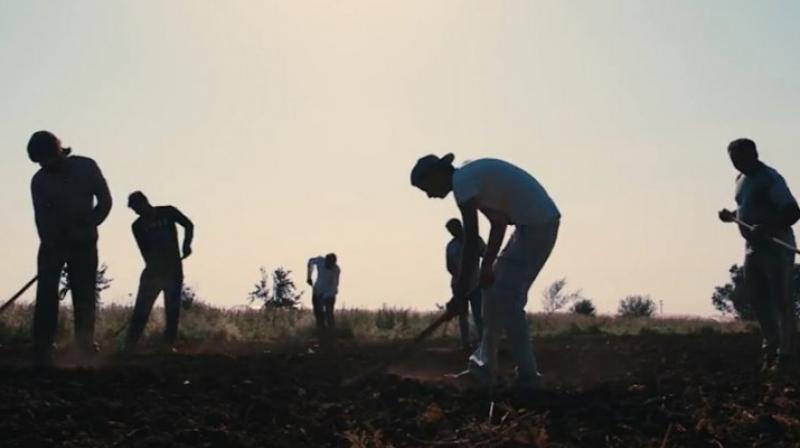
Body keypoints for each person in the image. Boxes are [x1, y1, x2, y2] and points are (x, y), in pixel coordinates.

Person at [411, 154, 560, 389]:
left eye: (426, 188)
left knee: (509, 300)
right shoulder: (469, 178)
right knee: (491, 291)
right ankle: (483, 369)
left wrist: (460, 293)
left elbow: (471, 241)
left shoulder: (463, 183)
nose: (429, 195)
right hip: (528, 226)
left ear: (436, 175)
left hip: (538, 225)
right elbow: (498, 223)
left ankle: (528, 378)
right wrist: (487, 266)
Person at [28, 130, 112, 367]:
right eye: (39, 162)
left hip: (84, 243)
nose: (44, 165)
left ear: (57, 151)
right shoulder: (39, 181)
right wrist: (52, 240)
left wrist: (89, 223)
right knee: (46, 294)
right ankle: (42, 349)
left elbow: (105, 202)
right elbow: (41, 217)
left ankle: (84, 346)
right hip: (52, 244)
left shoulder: (87, 167)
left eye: (46, 159)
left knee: (84, 293)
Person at [718, 138, 800, 373]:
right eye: (733, 159)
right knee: (757, 299)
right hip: (753, 248)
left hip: (777, 246)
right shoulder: (740, 180)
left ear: (753, 154)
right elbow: (748, 209)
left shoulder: (770, 178)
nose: (737, 163)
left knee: (781, 300)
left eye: (741, 157)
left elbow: (793, 212)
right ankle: (770, 348)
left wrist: (768, 227)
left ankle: (785, 355)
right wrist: (732, 215)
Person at [124, 191, 194, 351]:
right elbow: (145, 252)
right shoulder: (137, 226)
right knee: (141, 310)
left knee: (172, 309)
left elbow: (188, 225)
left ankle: (168, 346)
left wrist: (186, 245)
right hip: (153, 273)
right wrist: (156, 268)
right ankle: (129, 346)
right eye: (134, 210)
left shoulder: (168, 212)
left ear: (144, 202)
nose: (136, 212)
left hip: (174, 270)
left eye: (137, 208)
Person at [445, 218, 485, 350]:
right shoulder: (451, 246)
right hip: (459, 285)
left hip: (476, 283)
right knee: (463, 314)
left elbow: (485, 253)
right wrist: (459, 277)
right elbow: (449, 266)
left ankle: (484, 341)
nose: (453, 232)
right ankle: (465, 343)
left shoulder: (475, 240)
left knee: (478, 313)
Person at [307, 253, 340, 331]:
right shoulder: (320, 261)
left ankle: (331, 332)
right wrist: (309, 276)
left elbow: (334, 286)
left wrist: (324, 296)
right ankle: (321, 331)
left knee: (329, 314)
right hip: (317, 291)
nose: (330, 266)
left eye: (332, 264)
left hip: (330, 295)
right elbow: (310, 261)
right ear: (326, 260)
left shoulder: (336, 270)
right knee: (318, 314)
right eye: (329, 263)